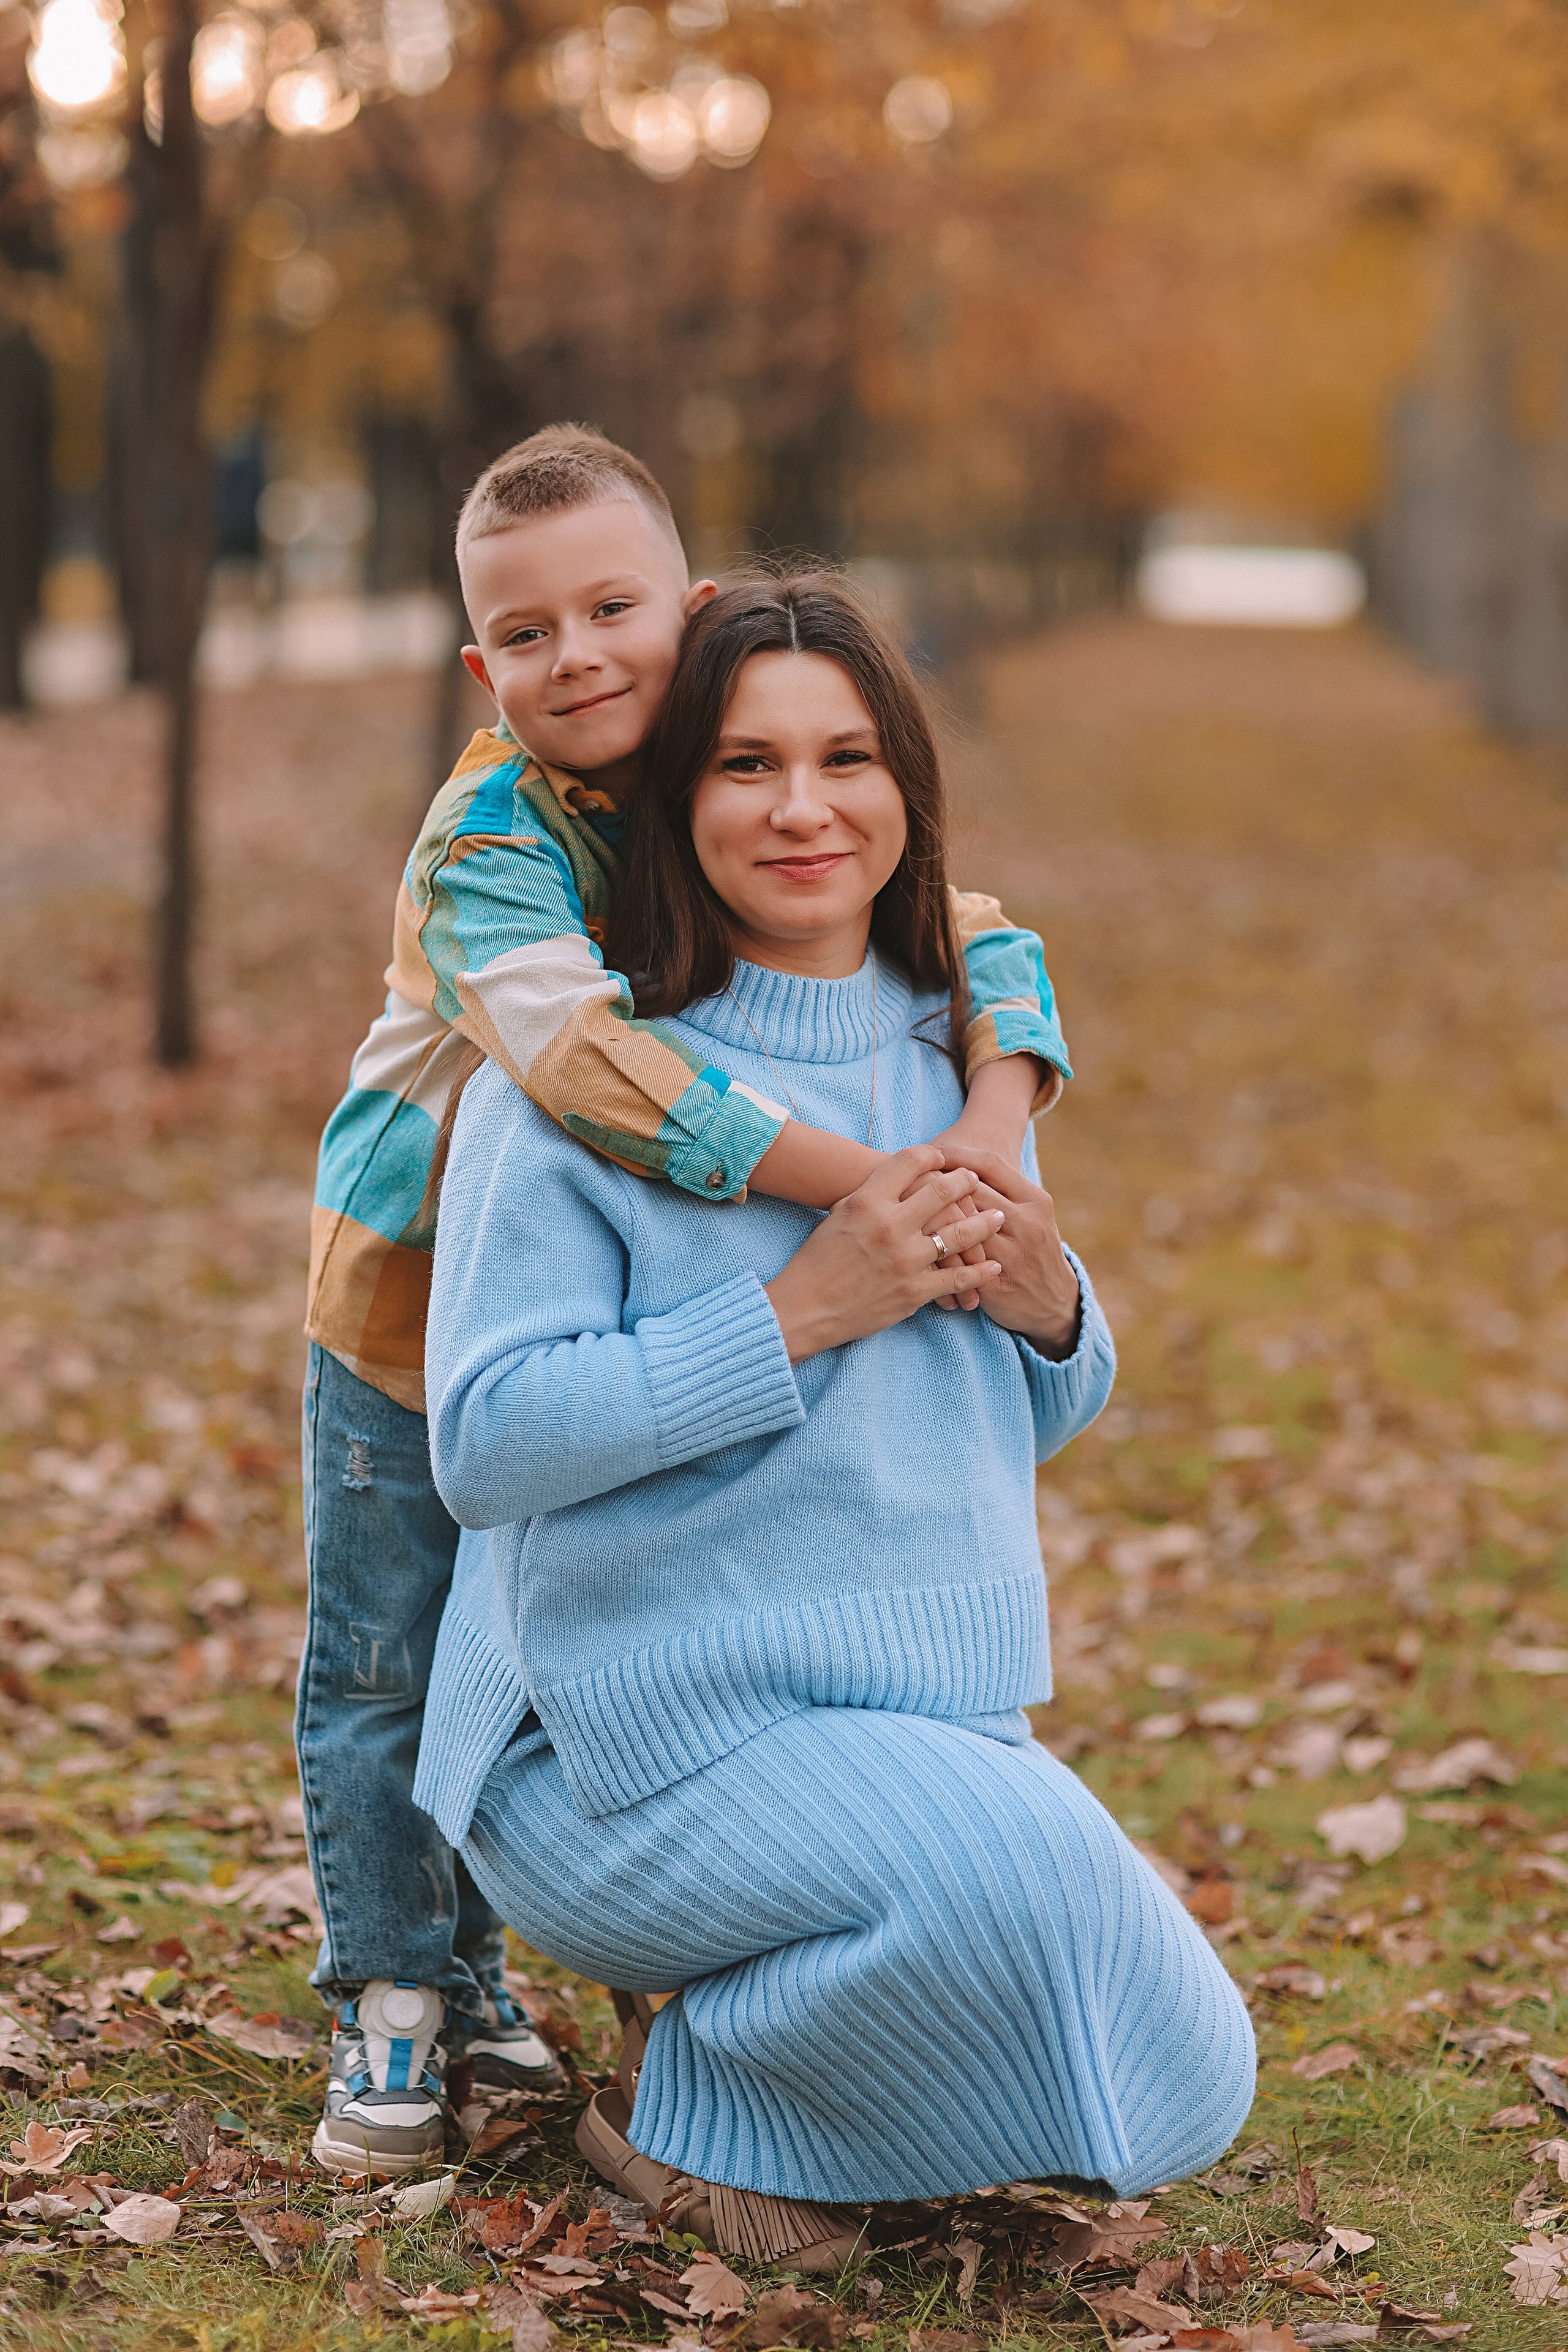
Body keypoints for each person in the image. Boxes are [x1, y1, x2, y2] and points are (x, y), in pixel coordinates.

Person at [412, 573, 1256, 2266]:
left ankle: (752, 2086)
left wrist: (1048, 1306)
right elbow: (486, 1442)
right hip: (614, 1747)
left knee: (1193, 2056)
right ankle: (693, 2119)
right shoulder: (599, 1080)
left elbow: (1007, 1415)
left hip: (905, 1708)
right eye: (744, 766)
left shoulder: (962, 1053)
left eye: (847, 757)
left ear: (908, 788)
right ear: (675, 798)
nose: (804, 809)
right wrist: (802, 1312)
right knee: (1030, 1897)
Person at [298, 428, 1075, 2176]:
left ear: (691, 607)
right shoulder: (484, 842)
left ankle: (541, 1976)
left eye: (614, 608)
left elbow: (984, 930)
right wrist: (866, 1195)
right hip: (408, 1299)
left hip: (592, 1290)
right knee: (387, 1664)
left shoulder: (706, 768)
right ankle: (397, 1995)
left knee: (571, 1606)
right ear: (480, 666)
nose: (579, 656)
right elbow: (587, 1071)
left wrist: (989, 1125)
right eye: (528, 631)